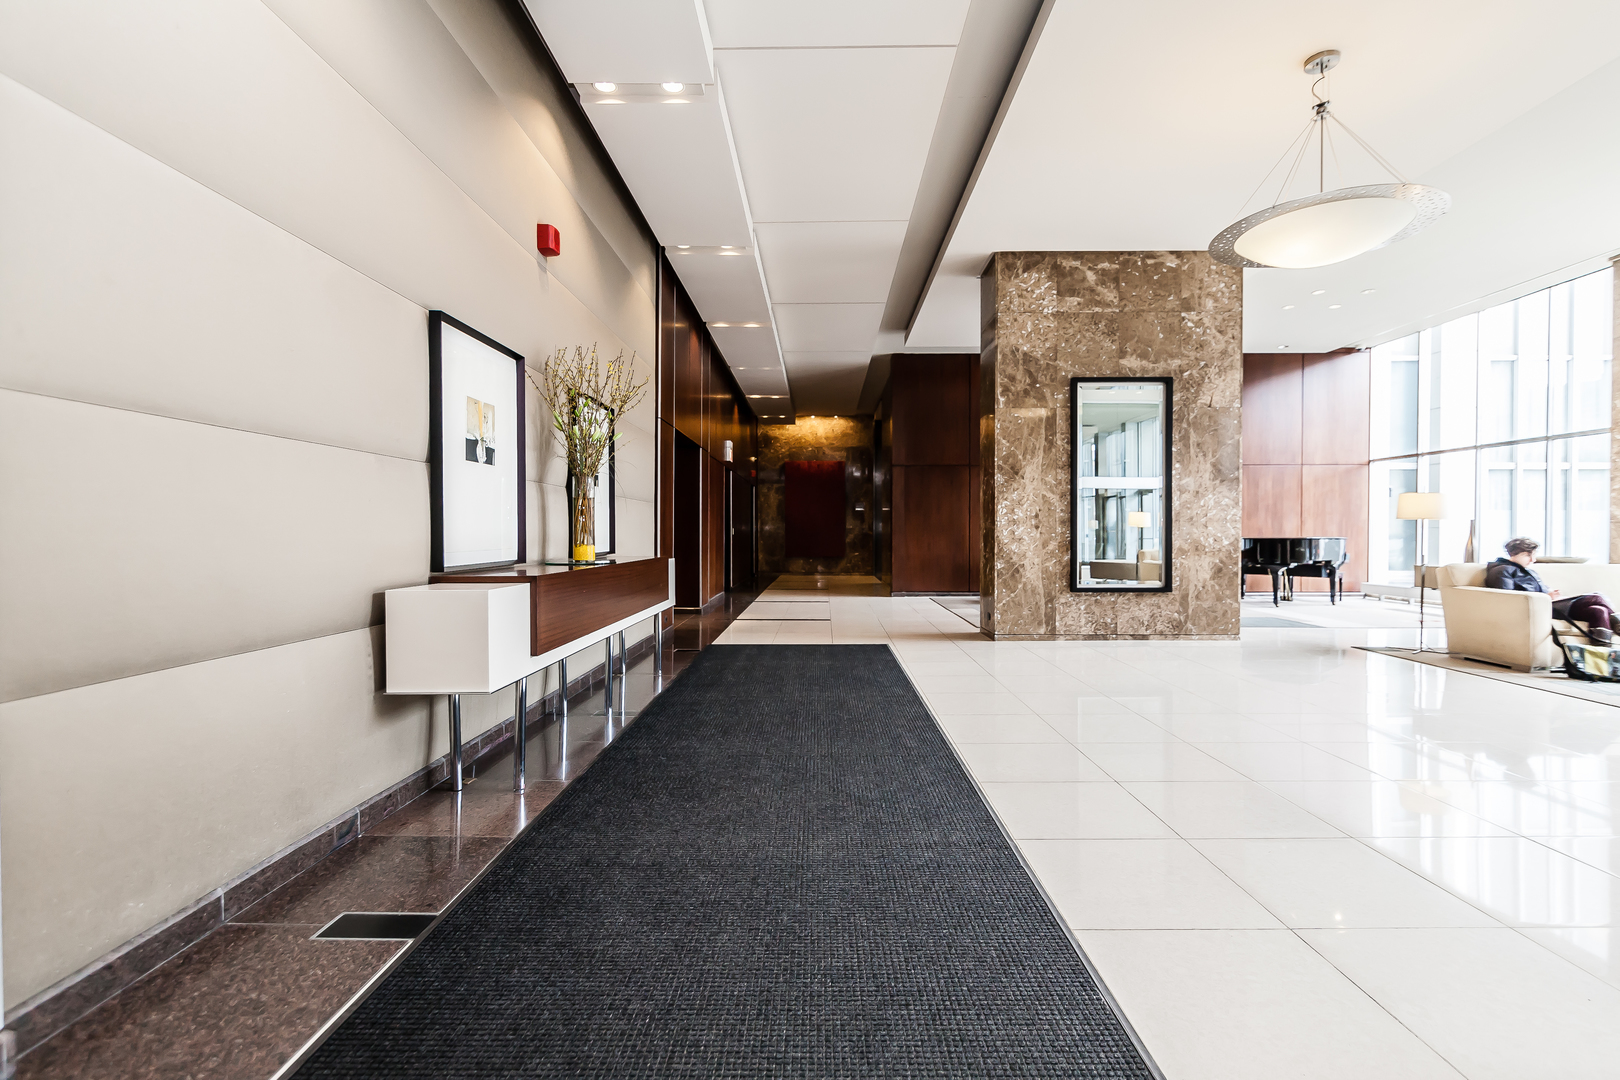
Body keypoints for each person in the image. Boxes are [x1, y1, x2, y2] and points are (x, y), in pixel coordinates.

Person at [1485, 537, 1618, 645]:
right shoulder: (1501, 570)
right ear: (1513, 554)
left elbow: (1538, 589)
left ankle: (1603, 656)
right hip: (1539, 608)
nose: (1533, 560)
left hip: (1551, 605)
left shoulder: (1527, 570)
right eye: (1527, 555)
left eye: (1534, 555)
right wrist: (1546, 596)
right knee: (1597, 597)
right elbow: (1507, 598)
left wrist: (1551, 593)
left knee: (1598, 610)